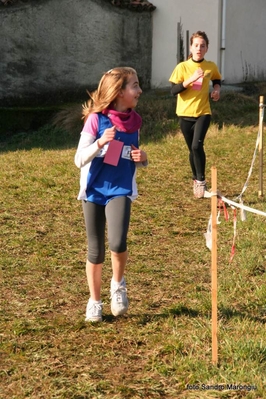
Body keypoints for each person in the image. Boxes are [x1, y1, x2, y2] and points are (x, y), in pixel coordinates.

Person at [74, 67, 148, 322]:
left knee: (117, 242)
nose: (139, 90)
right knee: (96, 251)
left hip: (120, 188)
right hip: (94, 190)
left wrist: (143, 159)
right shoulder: (95, 120)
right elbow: (78, 159)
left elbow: (132, 154)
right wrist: (99, 143)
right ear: (119, 92)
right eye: (134, 86)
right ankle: (94, 301)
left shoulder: (135, 122)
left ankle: (118, 284)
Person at [169, 31, 222, 198]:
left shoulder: (210, 66)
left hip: (203, 112)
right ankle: (195, 179)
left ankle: (201, 182)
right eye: (196, 45)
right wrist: (190, 79)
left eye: (203, 46)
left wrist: (216, 90)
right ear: (191, 47)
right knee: (191, 150)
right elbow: (173, 90)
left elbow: (217, 79)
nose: (199, 48)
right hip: (184, 114)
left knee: (196, 146)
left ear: (207, 48)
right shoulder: (182, 67)